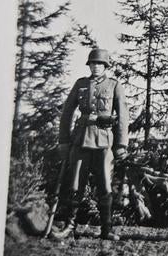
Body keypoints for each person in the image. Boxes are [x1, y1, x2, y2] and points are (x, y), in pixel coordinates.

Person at [53, 47, 129, 241]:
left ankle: (106, 229)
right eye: (93, 64)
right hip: (81, 140)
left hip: (104, 142)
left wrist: (121, 144)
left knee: (105, 185)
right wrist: (63, 140)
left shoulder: (114, 85)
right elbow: (67, 112)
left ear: (105, 66)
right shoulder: (81, 84)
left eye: (100, 64)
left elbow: (123, 116)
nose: (96, 67)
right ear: (89, 65)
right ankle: (69, 226)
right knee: (75, 184)